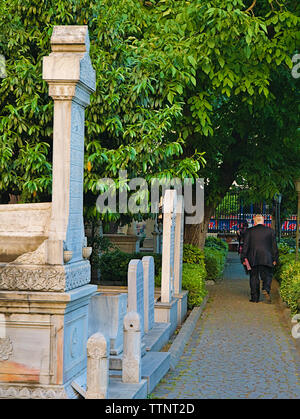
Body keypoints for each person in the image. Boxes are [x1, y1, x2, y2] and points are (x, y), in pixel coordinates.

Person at [241, 215, 278, 303]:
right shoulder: (270, 231)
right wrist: (275, 258)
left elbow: (245, 246)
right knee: (267, 275)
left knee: (253, 277)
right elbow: (274, 247)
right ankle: (266, 288)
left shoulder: (249, 231)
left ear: (254, 222)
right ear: (263, 221)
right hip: (267, 257)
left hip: (252, 258)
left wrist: (243, 258)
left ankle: (255, 298)